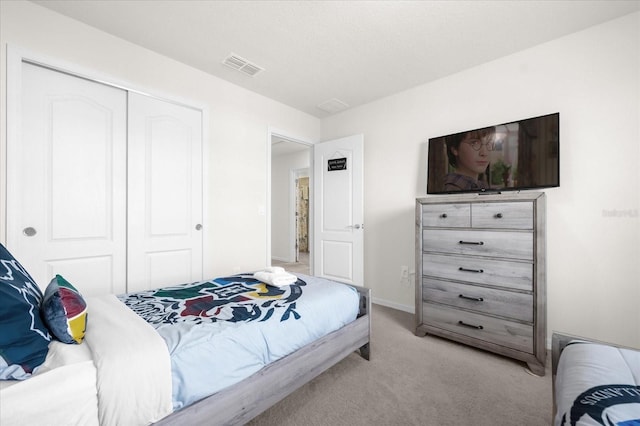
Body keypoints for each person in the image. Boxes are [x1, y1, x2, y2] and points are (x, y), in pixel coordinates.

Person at [443, 126, 495, 191]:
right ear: (455, 148)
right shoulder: (452, 189)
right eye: (474, 143)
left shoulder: (481, 186)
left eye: (489, 143)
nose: (484, 153)